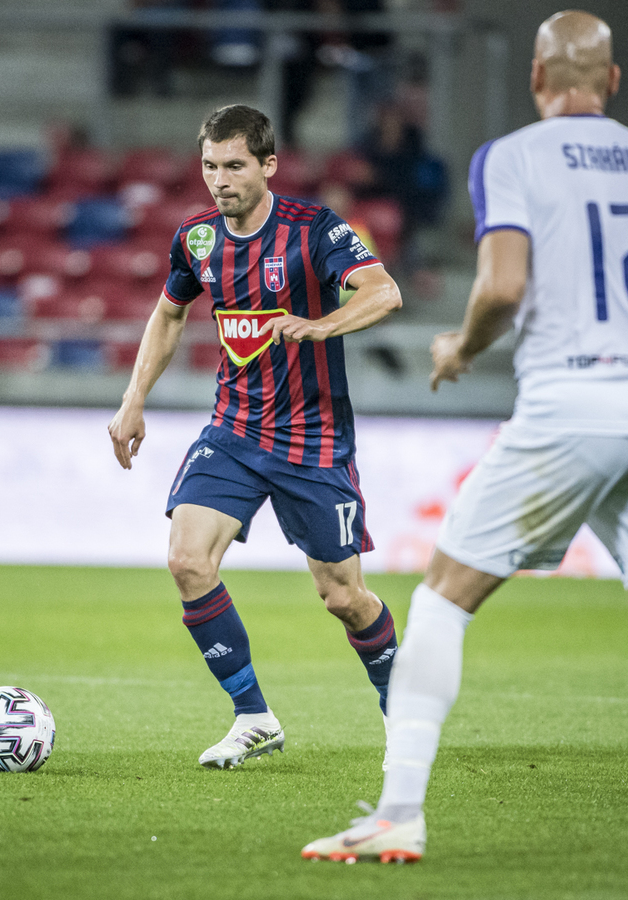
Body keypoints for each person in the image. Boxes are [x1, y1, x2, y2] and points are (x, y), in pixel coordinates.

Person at [302, 10, 628, 872]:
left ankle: (397, 815)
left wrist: (461, 348)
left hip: (570, 405)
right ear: (612, 81)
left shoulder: (511, 157)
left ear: (538, 77)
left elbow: (502, 288)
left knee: (442, 598)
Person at [108, 104, 404, 769]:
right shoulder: (197, 239)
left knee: (343, 597)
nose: (220, 180)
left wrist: (321, 326)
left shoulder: (314, 230)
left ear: (269, 165)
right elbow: (168, 315)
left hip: (312, 439)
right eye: (210, 166)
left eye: (235, 166)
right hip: (234, 430)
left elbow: (384, 292)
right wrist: (133, 399)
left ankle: (403, 709)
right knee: (187, 561)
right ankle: (253, 717)